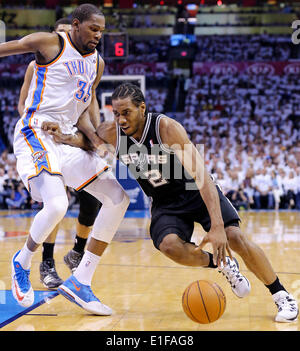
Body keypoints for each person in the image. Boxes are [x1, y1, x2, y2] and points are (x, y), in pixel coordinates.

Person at [43, 83, 298, 323]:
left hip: (194, 190)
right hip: (164, 200)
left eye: (127, 113)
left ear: (143, 108)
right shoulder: (113, 132)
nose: (121, 119)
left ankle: (282, 295)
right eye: (117, 113)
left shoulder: (166, 128)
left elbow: (202, 178)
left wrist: (217, 227)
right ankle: (222, 264)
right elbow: (87, 141)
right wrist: (65, 137)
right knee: (169, 246)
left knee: (234, 237)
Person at [0, 4, 130, 315]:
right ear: (75, 25)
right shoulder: (51, 44)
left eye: (102, 30)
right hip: (35, 132)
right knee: (57, 205)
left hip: (66, 139)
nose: (99, 35)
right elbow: (12, 47)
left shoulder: (97, 63)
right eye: (93, 29)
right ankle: (24, 260)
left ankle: (80, 280)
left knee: (117, 196)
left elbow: (84, 111)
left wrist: (97, 143)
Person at [17, 17, 102, 290]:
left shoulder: (87, 66)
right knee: (57, 200)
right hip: (45, 134)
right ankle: (46, 261)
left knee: (94, 197)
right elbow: (24, 106)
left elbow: (90, 107)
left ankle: (77, 251)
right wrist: (42, 126)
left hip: (72, 136)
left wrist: (96, 138)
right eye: (60, 34)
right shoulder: (38, 65)